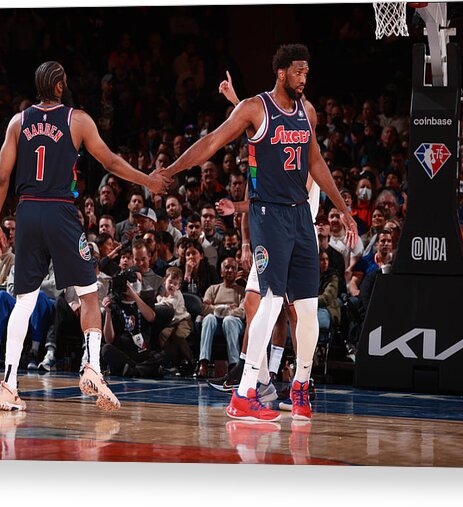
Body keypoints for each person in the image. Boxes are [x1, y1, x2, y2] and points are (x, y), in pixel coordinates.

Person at [165, 45, 357, 422]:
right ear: (282, 72)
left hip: (302, 216)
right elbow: (211, 142)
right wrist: (171, 170)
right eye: (299, 72)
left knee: (305, 308)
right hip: (268, 214)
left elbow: (315, 161)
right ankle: (245, 392)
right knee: (267, 302)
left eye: (307, 72)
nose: (305, 78)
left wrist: (345, 211)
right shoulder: (255, 107)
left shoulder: (308, 111)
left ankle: (300, 386)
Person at [0, 61, 170, 411]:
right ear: (59, 87)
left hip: (26, 211)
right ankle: (92, 369)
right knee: (89, 292)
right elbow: (111, 163)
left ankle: (8, 384)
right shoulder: (77, 119)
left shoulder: (17, 121)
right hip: (59, 210)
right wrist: (147, 180)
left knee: (23, 300)